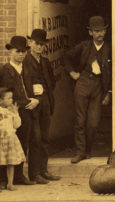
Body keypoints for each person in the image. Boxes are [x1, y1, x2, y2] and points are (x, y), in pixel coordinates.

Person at [63, 16, 111, 164]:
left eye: (102, 30)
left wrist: (109, 92)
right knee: (80, 120)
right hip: (83, 83)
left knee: (93, 123)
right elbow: (66, 57)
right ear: (90, 33)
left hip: (99, 87)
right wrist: (72, 73)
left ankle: (88, 150)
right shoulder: (84, 46)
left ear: (105, 31)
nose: (100, 34)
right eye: (96, 31)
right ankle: (80, 152)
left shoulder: (110, 48)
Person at [24, 29, 59, 182]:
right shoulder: (25, 61)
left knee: (45, 137)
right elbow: (24, 83)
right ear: (30, 43)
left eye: (42, 45)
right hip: (32, 104)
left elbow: (52, 81)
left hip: (45, 102)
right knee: (35, 138)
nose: (39, 47)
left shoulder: (45, 62)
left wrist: (46, 93)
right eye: (37, 44)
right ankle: (34, 173)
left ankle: (43, 170)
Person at [0, 36, 36, 186]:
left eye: (23, 52)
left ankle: (19, 176)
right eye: (17, 51)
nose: (21, 54)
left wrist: (35, 99)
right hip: (8, 114)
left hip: (25, 110)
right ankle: (2, 179)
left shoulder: (27, 69)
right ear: (10, 52)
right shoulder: (4, 69)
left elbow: (34, 86)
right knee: (4, 144)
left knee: (23, 142)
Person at [0, 87, 26, 191]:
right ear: (0, 100)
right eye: (9, 98)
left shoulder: (11, 111)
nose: (11, 100)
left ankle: (10, 183)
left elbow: (17, 125)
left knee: (10, 163)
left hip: (10, 139)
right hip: (1, 138)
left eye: (12, 98)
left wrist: (15, 113)